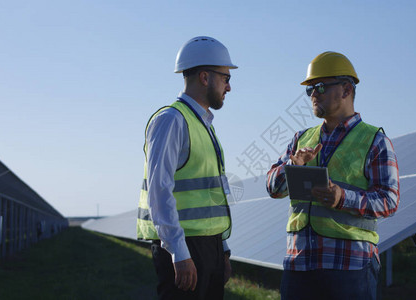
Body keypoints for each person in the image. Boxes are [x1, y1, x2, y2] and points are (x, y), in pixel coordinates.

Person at [266, 51, 400, 300]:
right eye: (310, 90)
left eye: (319, 87)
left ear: (346, 89)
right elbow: (273, 188)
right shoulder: (301, 139)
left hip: (350, 267)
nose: (313, 95)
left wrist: (342, 197)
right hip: (299, 264)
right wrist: (290, 167)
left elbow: (389, 201)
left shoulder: (375, 141)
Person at [137, 36, 237, 300]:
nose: (229, 87)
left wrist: (222, 249)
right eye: (225, 78)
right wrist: (179, 253)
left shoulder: (204, 125)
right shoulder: (171, 120)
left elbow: (211, 196)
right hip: (185, 248)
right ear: (205, 77)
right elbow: (159, 191)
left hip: (209, 247)